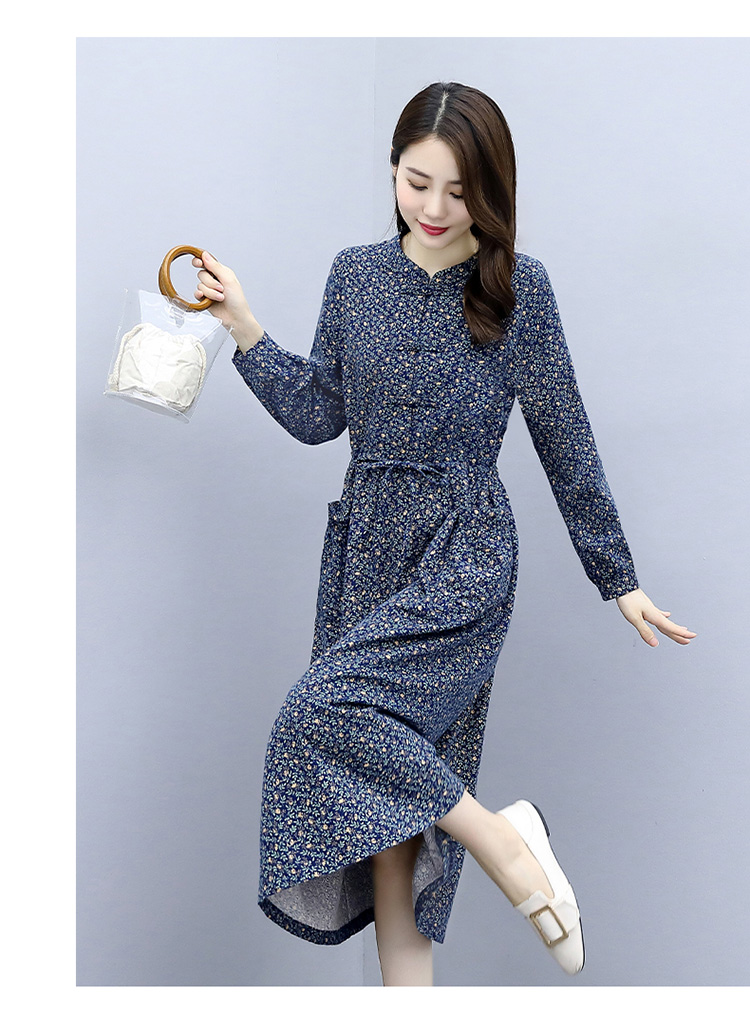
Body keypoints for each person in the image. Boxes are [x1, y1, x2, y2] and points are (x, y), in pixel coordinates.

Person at [191, 81, 696, 987]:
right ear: (391, 170)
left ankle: (505, 847)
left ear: (491, 192)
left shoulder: (519, 289)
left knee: (320, 715)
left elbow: (565, 437)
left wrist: (617, 577)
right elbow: (321, 415)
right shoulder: (355, 274)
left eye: (459, 191)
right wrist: (244, 328)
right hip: (365, 558)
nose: (433, 208)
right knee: (389, 829)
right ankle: (487, 869)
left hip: (464, 553)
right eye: (416, 182)